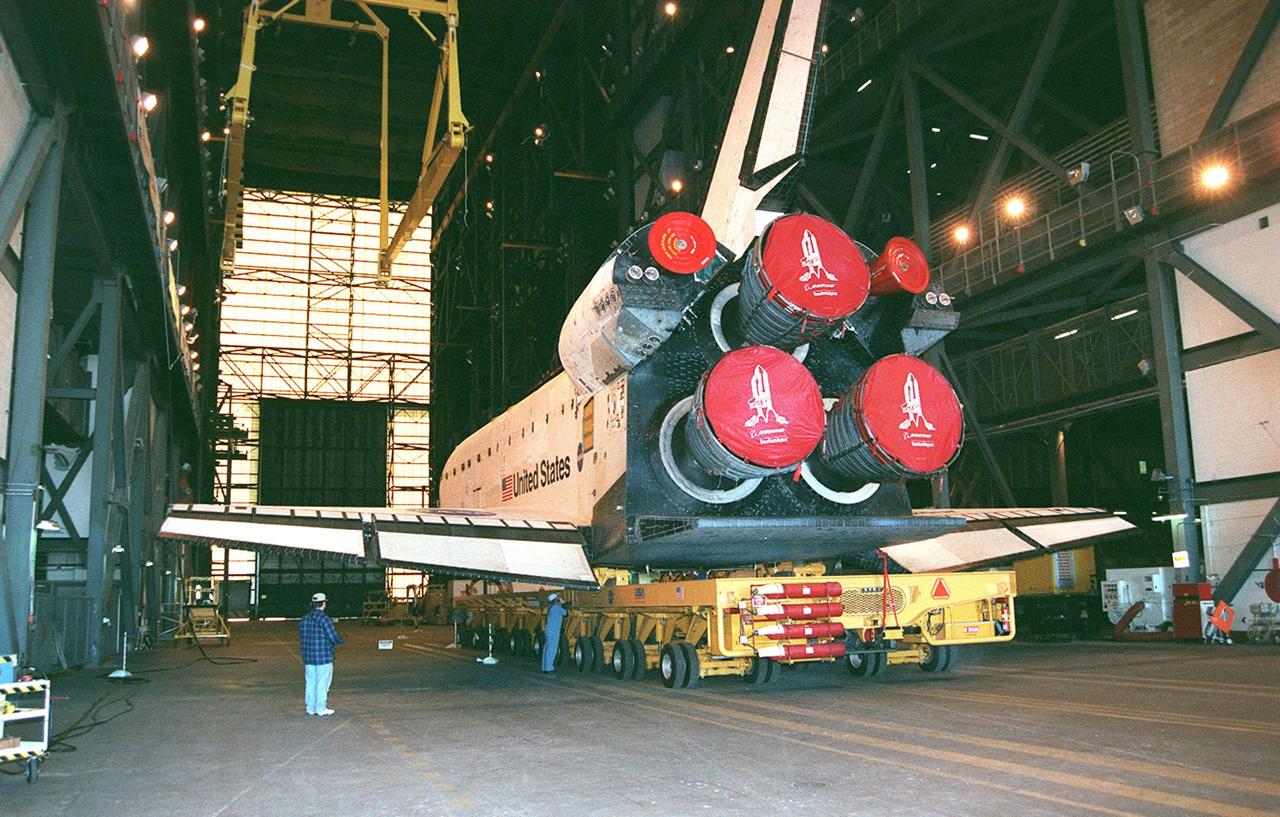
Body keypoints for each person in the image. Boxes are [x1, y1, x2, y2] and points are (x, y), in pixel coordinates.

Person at [300, 592, 343, 716]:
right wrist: (340, 642)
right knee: (322, 683)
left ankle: (310, 708)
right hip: (323, 656)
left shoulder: (304, 619)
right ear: (323, 604)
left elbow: (302, 637)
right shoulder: (325, 619)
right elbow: (332, 636)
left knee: (310, 682)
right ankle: (320, 708)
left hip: (308, 657)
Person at [540, 593, 567, 673]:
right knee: (552, 649)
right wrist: (564, 603)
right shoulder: (556, 607)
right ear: (556, 599)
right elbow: (566, 613)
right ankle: (549, 668)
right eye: (559, 598)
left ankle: (544, 667)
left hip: (549, 630)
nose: (561, 598)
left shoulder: (551, 607)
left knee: (547, 648)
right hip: (553, 631)